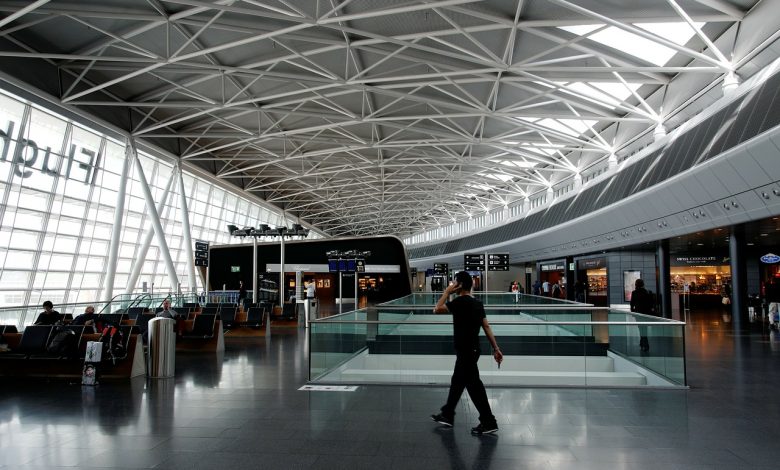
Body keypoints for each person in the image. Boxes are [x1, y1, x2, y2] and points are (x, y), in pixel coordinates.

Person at [431, 271, 503, 436]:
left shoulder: (458, 302)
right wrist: (496, 348)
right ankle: (448, 414)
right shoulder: (477, 303)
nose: (453, 285)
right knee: (458, 382)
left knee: (474, 386)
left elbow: (437, 309)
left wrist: (447, 292)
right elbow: (486, 327)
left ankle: (489, 421)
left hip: (465, 351)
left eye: (455, 282)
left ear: (461, 285)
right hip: (473, 350)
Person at [630, 279, 655, 352]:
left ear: (636, 284)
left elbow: (632, 304)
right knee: (644, 328)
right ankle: (643, 343)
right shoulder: (647, 292)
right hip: (646, 313)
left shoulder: (634, 293)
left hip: (638, 313)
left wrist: (633, 312)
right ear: (643, 284)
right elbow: (651, 304)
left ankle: (644, 344)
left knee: (641, 328)